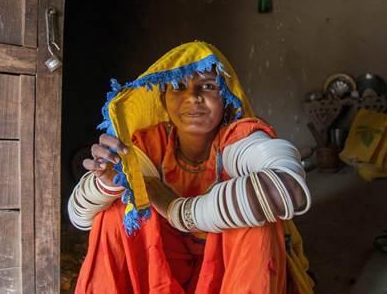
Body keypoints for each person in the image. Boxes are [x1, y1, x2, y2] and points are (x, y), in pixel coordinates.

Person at [68, 41, 314, 293]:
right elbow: (79, 218)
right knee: (117, 210)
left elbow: (287, 188)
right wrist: (106, 182)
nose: (193, 97)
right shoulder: (150, 144)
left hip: (231, 270)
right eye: (178, 87)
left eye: (207, 86)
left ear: (227, 98)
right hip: (163, 270)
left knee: (258, 219)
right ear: (163, 100)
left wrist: (178, 212)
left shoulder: (236, 139)